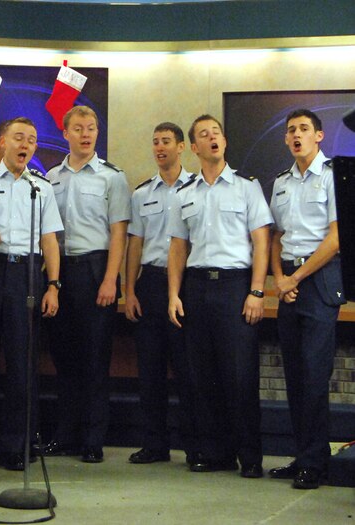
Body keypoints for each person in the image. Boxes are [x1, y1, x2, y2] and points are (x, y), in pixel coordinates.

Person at [167, 114, 272, 479]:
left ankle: (250, 455)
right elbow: (178, 248)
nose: (212, 138)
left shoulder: (246, 188)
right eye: (203, 135)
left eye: (217, 133)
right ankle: (216, 452)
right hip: (196, 287)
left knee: (239, 376)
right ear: (194, 148)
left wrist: (257, 291)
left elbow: (262, 242)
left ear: (224, 142)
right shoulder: (185, 193)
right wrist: (173, 295)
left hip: (235, 287)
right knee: (203, 376)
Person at [0, 117, 63, 470]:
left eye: (32, 140)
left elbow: (50, 238)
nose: (26, 145)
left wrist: (53, 285)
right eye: (19, 137)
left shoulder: (41, 187)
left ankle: (15, 446)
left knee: (23, 363)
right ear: (0, 143)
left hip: (26, 275)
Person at [44, 106, 130, 463]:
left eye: (91, 128)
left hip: (97, 271)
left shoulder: (112, 177)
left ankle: (93, 439)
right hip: (60, 272)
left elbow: (119, 233)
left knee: (95, 360)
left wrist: (111, 279)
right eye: (78, 128)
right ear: (65, 133)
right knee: (65, 360)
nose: (86, 134)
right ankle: (66, 435)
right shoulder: (50, 178)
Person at [268, 109, 344, 490]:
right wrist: (281, 279)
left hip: (318, 283)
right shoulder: (280, 182)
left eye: (303, 129)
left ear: (319, 136)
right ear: (286, 140)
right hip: (289, 285)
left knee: (315, 376)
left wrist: (296, 277)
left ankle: (316, 463)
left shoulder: (333, 177)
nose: (296, 135)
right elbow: (277, 237)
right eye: (291, 131)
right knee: (295, 377)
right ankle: (303, 456)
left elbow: (336, 238)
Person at [125, 122, 196, 465]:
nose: (159, 148)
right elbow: (135, 244)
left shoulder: (198, 188)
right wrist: (129, 290)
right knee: (149, 369)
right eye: (155, 142)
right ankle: (155, 444)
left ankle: (194, 445)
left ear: (181, 147)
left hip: (186, 283)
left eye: (166, 141)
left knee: (187, 368)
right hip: (150, 283)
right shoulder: (142, 193)